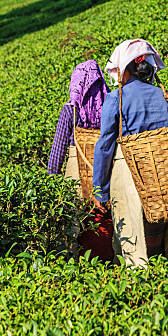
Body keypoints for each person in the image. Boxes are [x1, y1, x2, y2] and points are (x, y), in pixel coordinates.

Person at [92, 39, 168, 266]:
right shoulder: (164, 96)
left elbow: (105, 146)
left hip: (129, 172)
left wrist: (100, 190)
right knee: (158, 234)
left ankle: (138, 287)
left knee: (132, 235)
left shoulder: (115, 99)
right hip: (162, 172)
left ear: (124, 69)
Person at [47, 59, 114, 261]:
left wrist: (51, 178)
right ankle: (106, 258)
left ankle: (78, 261)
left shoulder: (71, 110)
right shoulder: (111, 105)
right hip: (105, 169)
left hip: (76, 170)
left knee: (76, 218)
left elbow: (57, 150)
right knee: (103, 215)